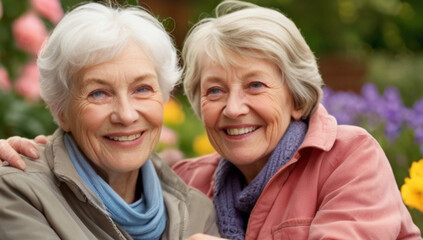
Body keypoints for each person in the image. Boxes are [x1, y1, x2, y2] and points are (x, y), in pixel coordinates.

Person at [0, 0, 421, 239]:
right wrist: (44, 153)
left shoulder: (348, 158)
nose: (233, 108)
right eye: (215, 90)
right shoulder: (188, 182)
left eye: (255, 85)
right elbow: (81, 157)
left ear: (297, 98)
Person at [0, 2, 218, 239]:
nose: (126, 115)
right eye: (98, 93)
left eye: (142, 89)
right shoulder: (18, 191)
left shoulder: (197, 211)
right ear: (62, 111)